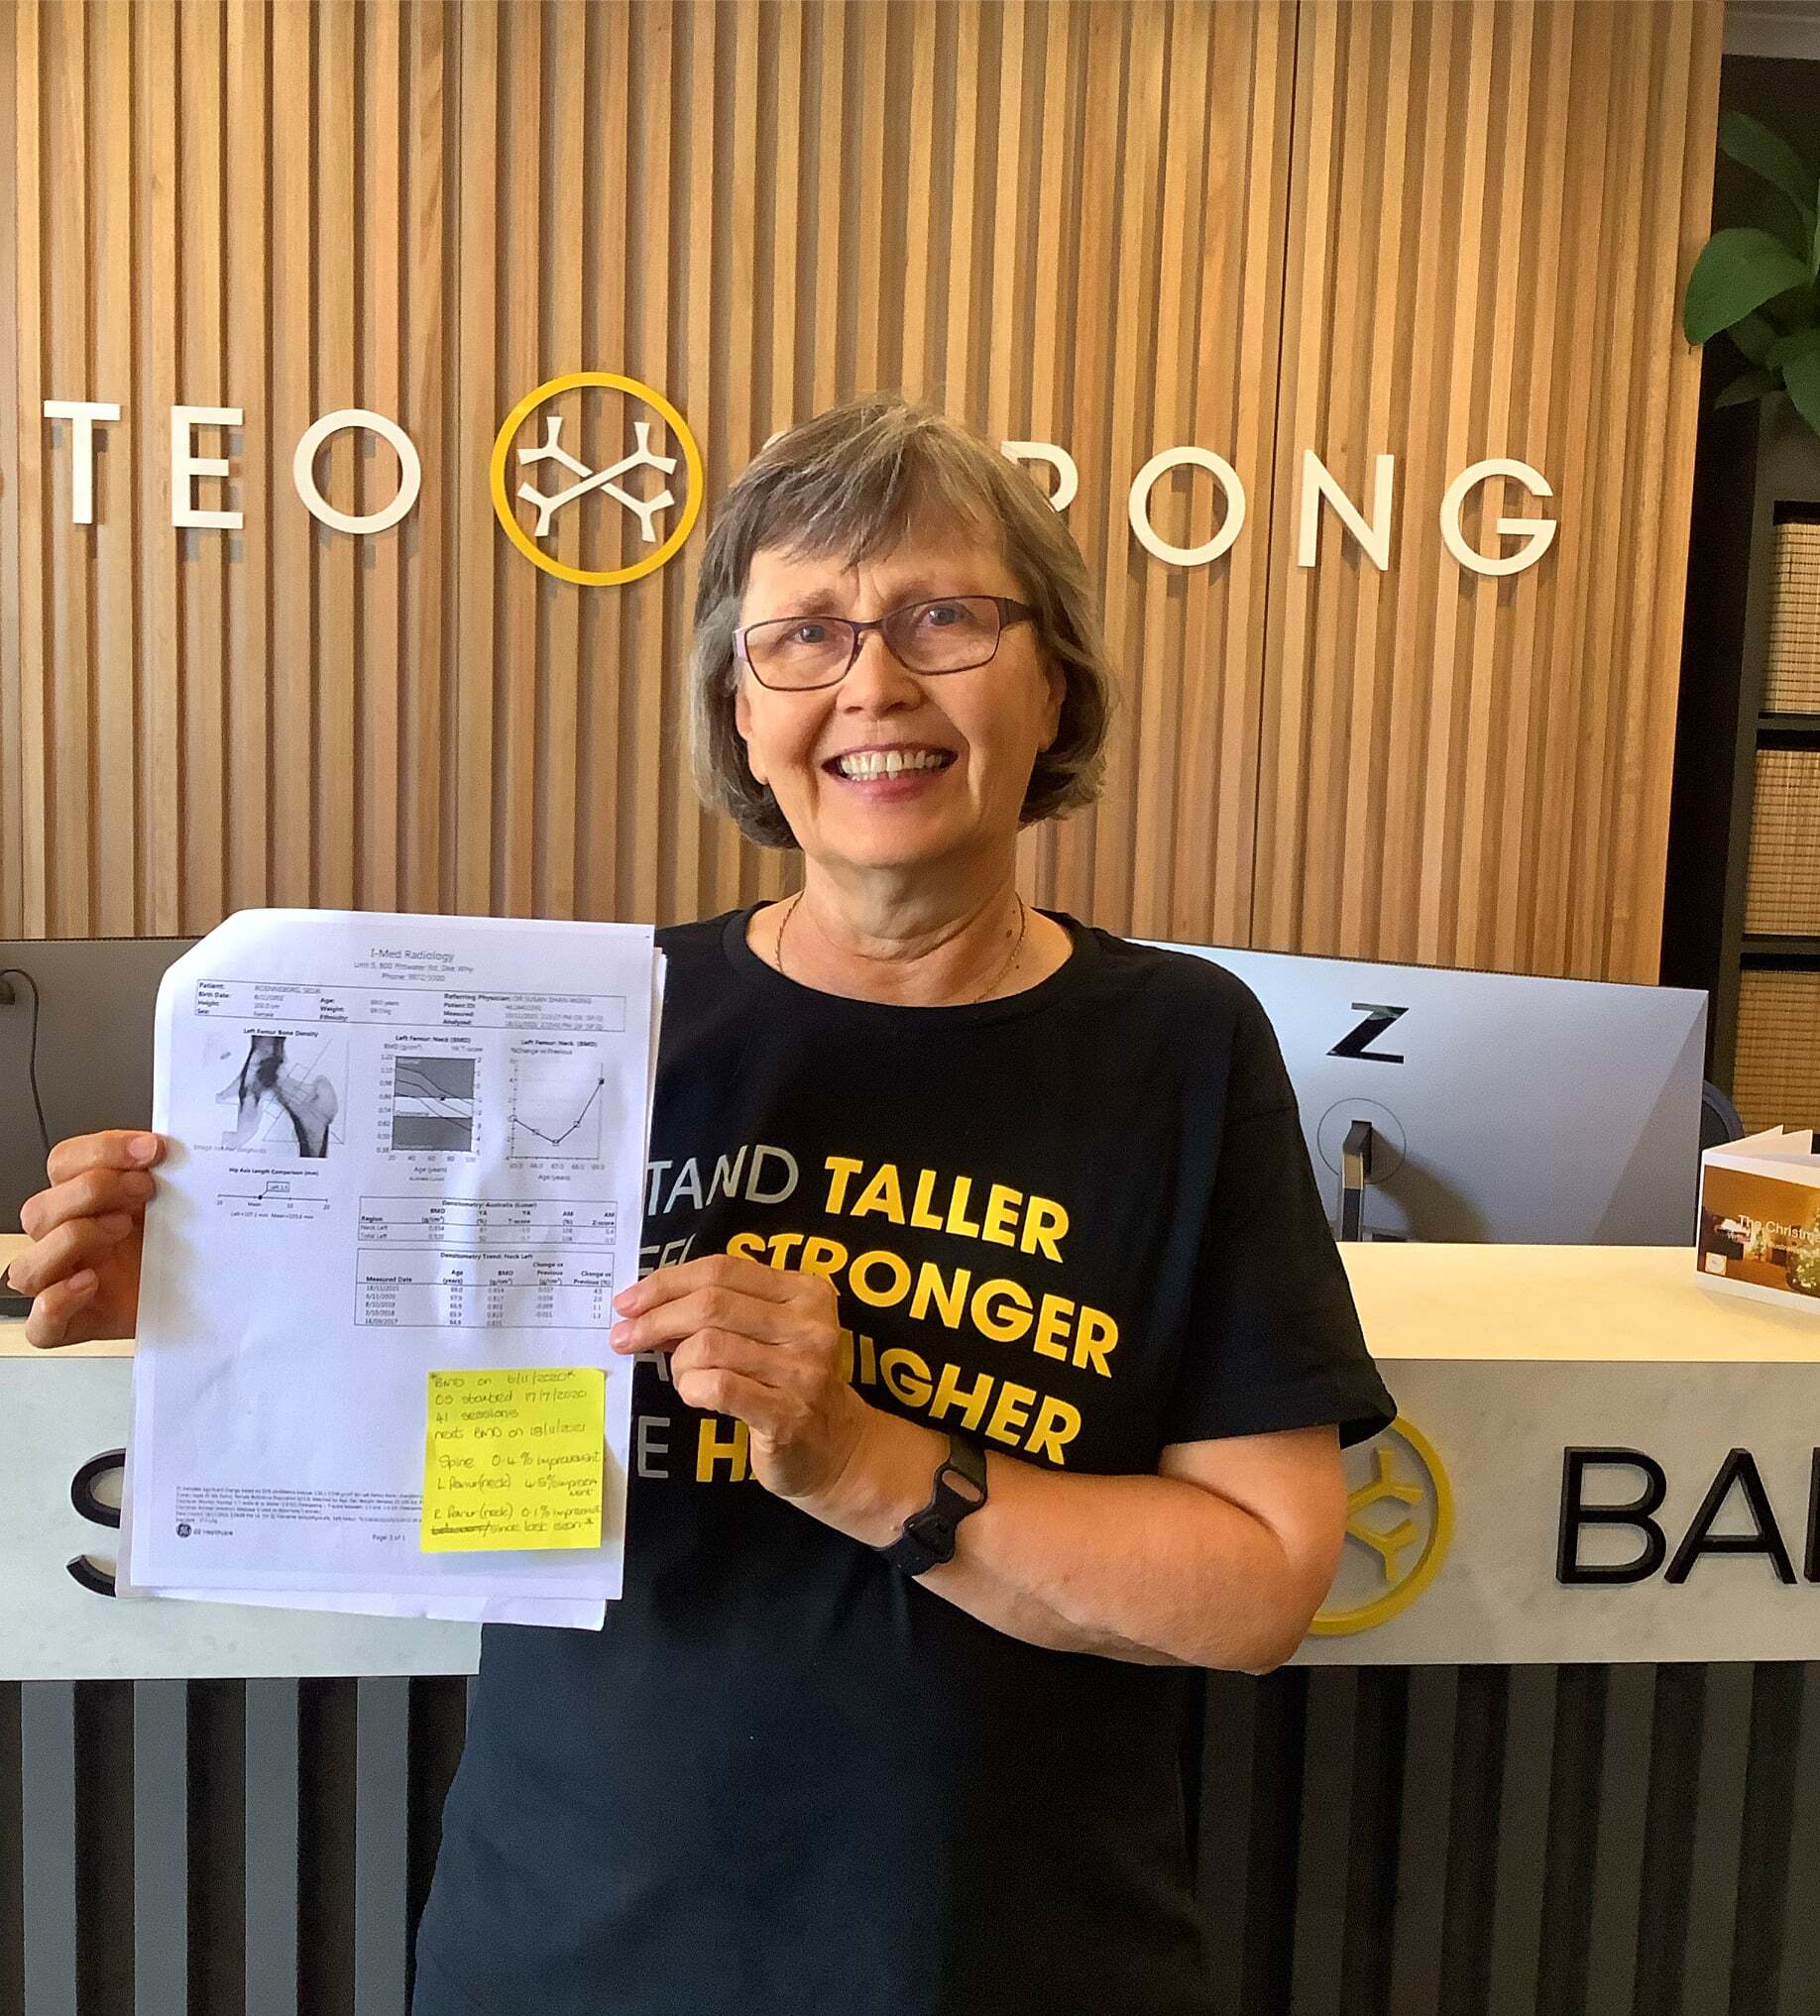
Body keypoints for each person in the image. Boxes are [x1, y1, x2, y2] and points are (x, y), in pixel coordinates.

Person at [10, 393, 1396, 2016]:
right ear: (742, 714)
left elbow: (1258, 1585)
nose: (873, 683)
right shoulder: (589, 1028)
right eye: (802, 634)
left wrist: (864, 1459)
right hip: (571, 1950)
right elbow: (438, 1458)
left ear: (1055, 684)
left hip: (1008, 1961)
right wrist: (229, 1293)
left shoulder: (1179, 1047)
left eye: (943, 618)